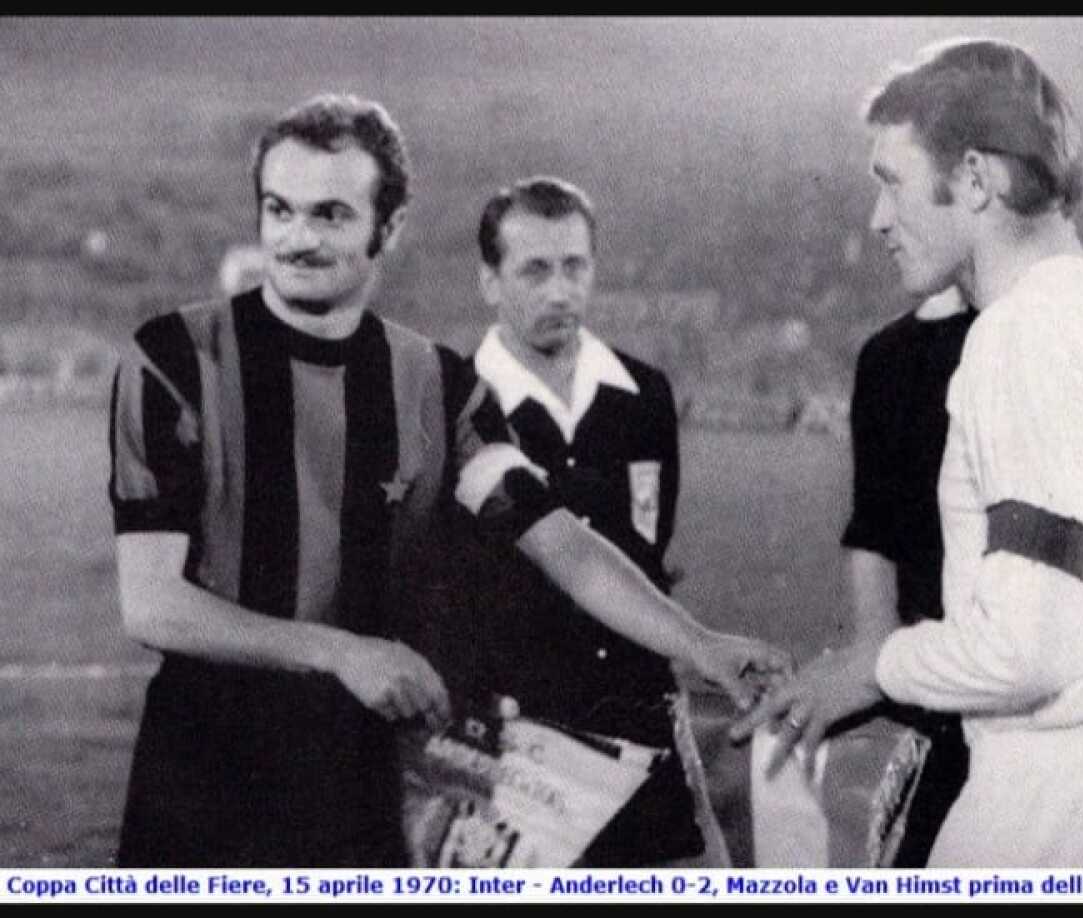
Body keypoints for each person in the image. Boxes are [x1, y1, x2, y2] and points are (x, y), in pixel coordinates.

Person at [108, 93, 786, 868]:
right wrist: (342, 653)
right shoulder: (174, 358)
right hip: (202, 772)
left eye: (331, 215)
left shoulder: (436, 384)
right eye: (279, 210)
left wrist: (700, 644)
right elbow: (152, 604)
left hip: (359, 779)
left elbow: (560, 544)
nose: (297, 239)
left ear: (389, 227)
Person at [733, 38, 1083, 866]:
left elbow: (1023, 648)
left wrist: (876, 665)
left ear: (976, 179)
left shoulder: (1022, 330)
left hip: (1060, 804)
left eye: (892, 181)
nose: (878, 219)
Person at [441, 175, 724, 866]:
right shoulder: (455, 403)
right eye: (535, 270)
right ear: (489, 281)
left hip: (640, 733)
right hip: (515, 749)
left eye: (575, 267)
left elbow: (648, 551)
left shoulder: (645, 394)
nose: (560, 291)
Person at [839, 283, 975, 866]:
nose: (884, 234)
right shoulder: (887, 355)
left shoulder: (1035, 336)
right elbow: (872, 531)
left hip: (1028, 703)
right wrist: (873, 662)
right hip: (929, 700)